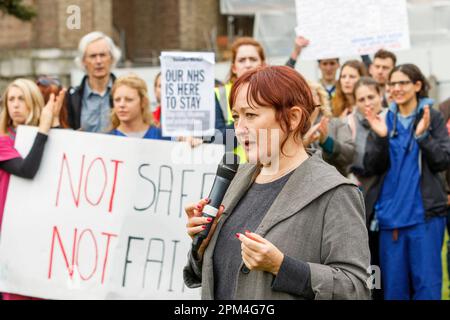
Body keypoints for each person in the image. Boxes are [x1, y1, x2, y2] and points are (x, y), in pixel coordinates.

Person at [183, 66, 370, 300]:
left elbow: (356, 288)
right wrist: (201, 247)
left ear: (293, 118)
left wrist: (282, 266)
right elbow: (218, 273)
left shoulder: (335, 192)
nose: (239, 129)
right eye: (236, 117)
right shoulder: (236, 177)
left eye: (250, 115)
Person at [364, 64, 450, 300]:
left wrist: (423, 136)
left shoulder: (432, 116)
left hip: (425, 218)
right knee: (394, 291)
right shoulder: (383, 119)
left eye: (403, 83)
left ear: (417, 85)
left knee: (428, 288)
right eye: (393, 84)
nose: (397, 88)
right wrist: (381, 138)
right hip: (390, 220)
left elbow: (443, 160)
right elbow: (371, 166)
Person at [0, 79, 63, 300]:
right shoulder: (2, 140)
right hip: (11, 229)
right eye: (11, 99)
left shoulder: (42, 133)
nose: (15, 105)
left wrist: (53, 123)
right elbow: (27, 170)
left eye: (21, 99)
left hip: (43, 225)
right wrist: (44, 129)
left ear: (33, 102)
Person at [349, 77, 387, 300]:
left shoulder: (391, 121)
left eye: (371, 97)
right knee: (371, 265)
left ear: (380, 95)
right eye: (361, 99)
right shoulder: (351, 124)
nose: (367, 103)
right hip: (364, 206)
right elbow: (353, 162)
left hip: (389, 203)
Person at [214, 37, 266, 159]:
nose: (248, 65)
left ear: (263, 64)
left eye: (253, 59)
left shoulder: (275, 93)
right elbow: (217, 139)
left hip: (268, 169)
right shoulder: (218, 94)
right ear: (234, 68)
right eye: (242, 60)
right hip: (235, 172)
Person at [66, 31, 121, 132]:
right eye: (93, 56)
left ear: (112, 58)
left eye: (103, 55)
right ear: (83, 61)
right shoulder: (72, 97)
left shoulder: (124, 93)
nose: (98, 61)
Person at [303, 81, 355, 177]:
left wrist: (327, 142)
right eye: (303, 94)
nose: (307, 98)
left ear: (320, 99)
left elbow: (350, 155)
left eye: (312, 94)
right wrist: (304, 144)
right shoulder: (293, 127)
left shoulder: (337, 124)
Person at [109, 74, 169, 141]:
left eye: (129, 99)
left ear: (143, 102)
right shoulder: (107, 140)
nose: (121, 105)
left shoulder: (161, 137)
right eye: (117, 100)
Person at [286, 36, 340, 101]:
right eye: (325, 64)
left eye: (332, 63)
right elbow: (285, 77)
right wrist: (296, 52)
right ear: (319, 65)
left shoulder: (345, 87)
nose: (328, 68)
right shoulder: (312, 89)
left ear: (338, 65)